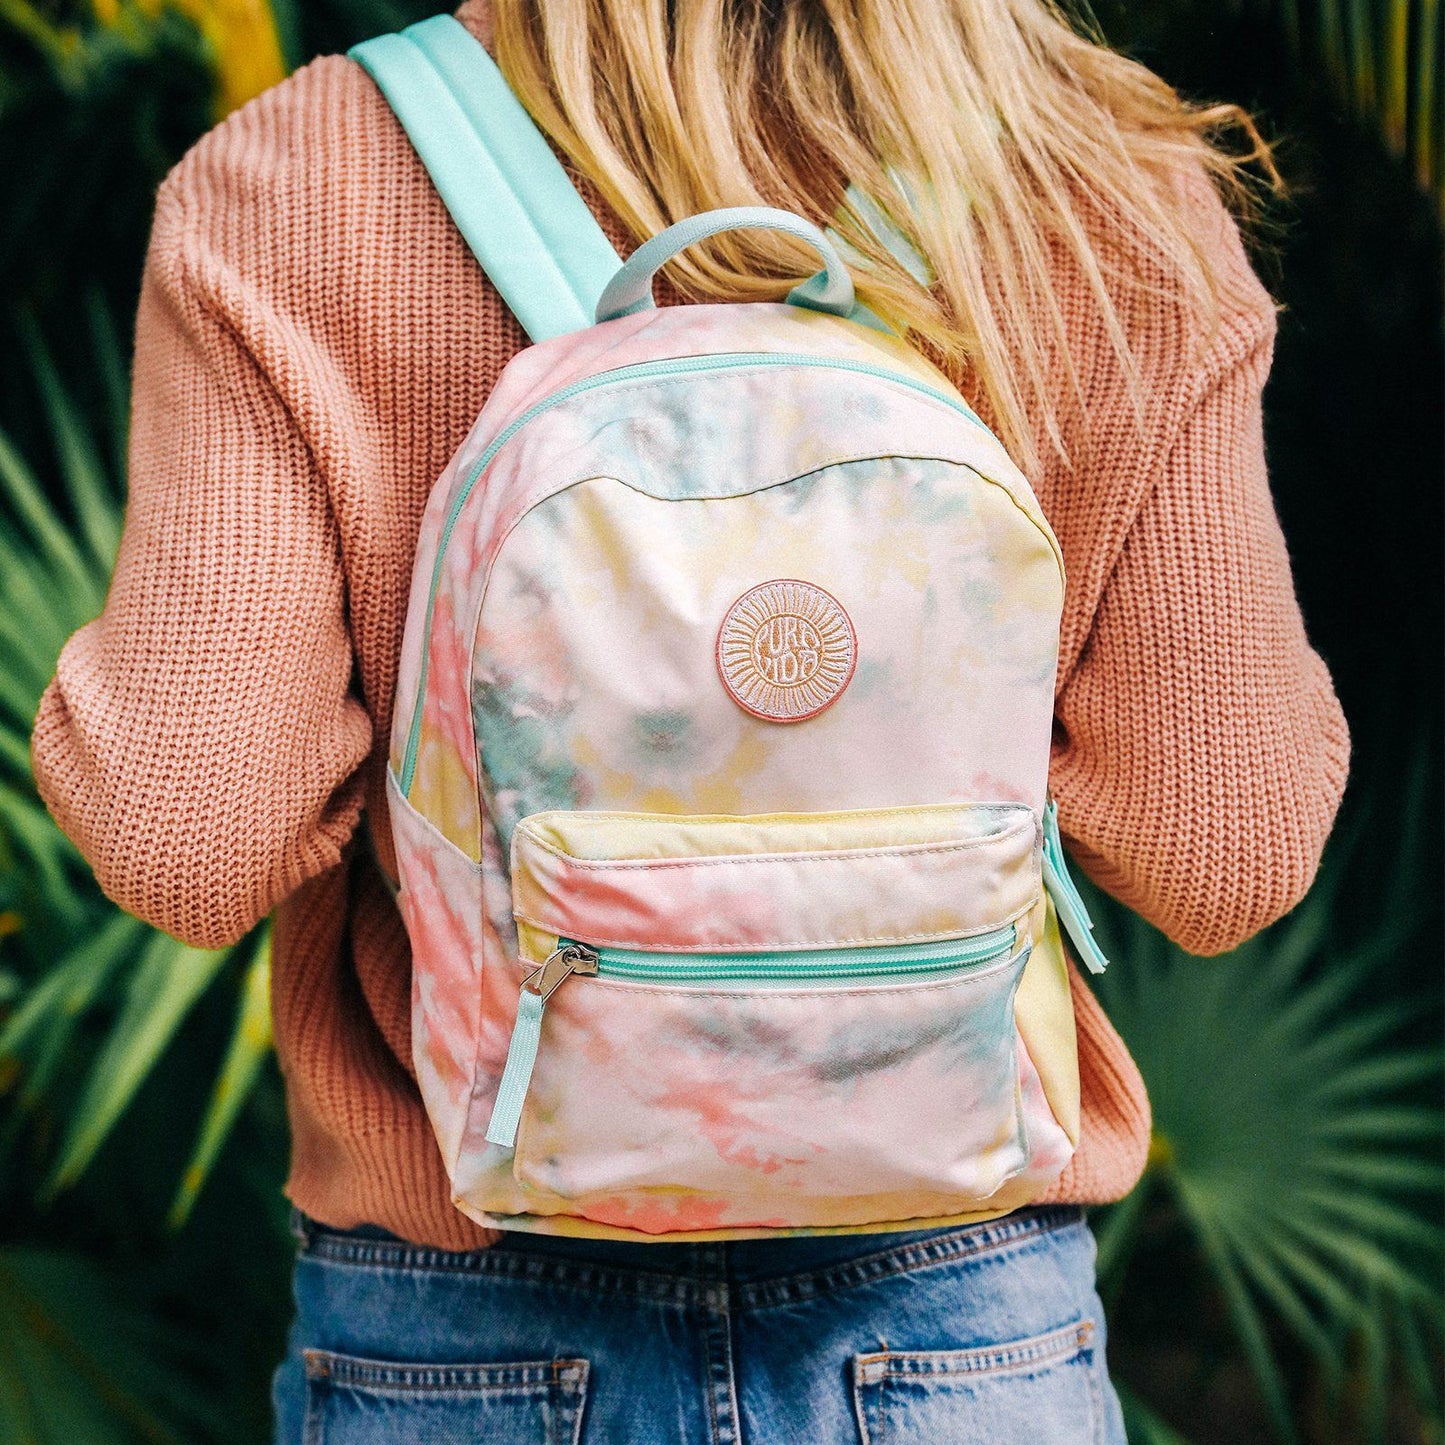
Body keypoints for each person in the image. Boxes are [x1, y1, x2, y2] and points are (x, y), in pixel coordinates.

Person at [31, 0, 1350, 1439]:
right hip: (955, 1335)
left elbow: (187, 838)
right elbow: (1224, 850)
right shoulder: (1099, 193)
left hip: (461, 1331)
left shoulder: (302, 185)